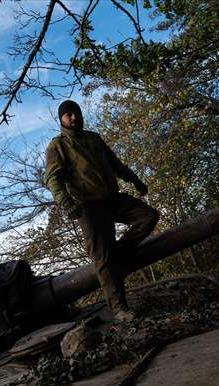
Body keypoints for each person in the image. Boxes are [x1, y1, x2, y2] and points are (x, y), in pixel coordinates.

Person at [45, 100, 160, 321]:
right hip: (88, 207)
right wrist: (67, 203)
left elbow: (115, 164)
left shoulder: (93, 138)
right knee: (102, 259)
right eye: (68, 115)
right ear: (61, 119)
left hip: (112, 198)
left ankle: (119, 254)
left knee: (149, 217)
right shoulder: (57, 146)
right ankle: (120, 309)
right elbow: (53, 179)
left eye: (75, 113)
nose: (73, 118)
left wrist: (135, 181)